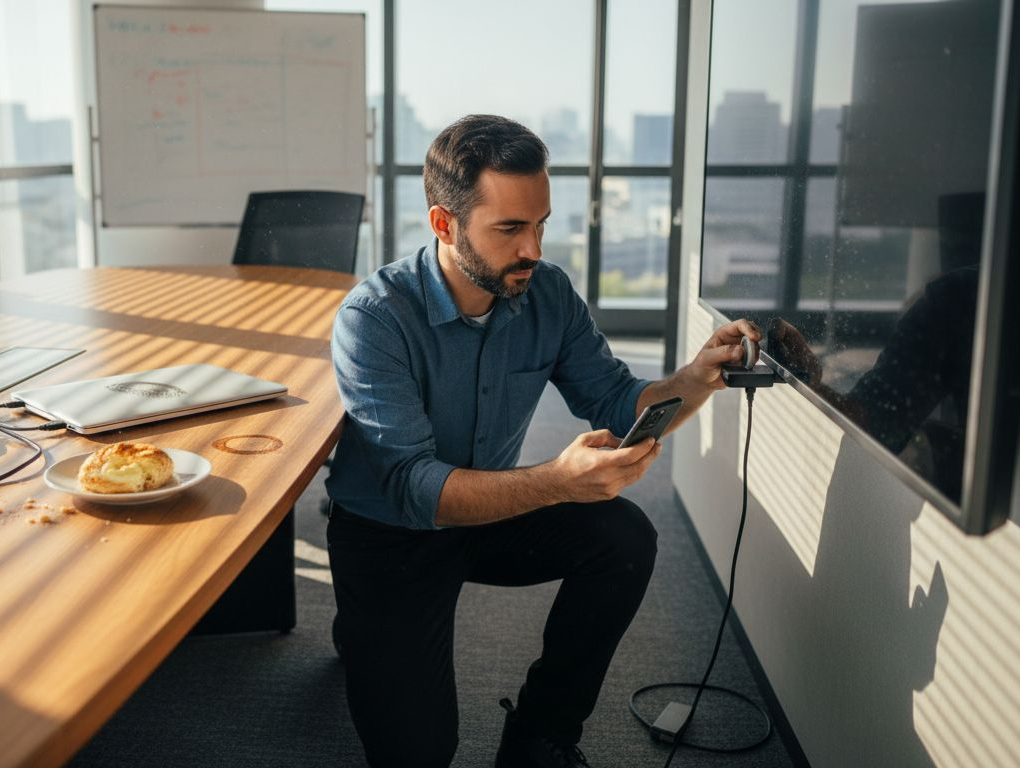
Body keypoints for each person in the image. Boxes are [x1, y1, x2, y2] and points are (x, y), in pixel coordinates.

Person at [325, 114, 758, 768]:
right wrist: (556, 481)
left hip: (490, 513)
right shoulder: (375, 318)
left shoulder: (546, 292)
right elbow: (414, 488)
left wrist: (695, 379)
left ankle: (540, 735)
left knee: (625, 539)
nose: (532, 248)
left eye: (541, 224)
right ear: (444, 224)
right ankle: (362, 625)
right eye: (509, 229)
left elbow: (616, 400)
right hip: (391, 535)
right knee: (419, 753)